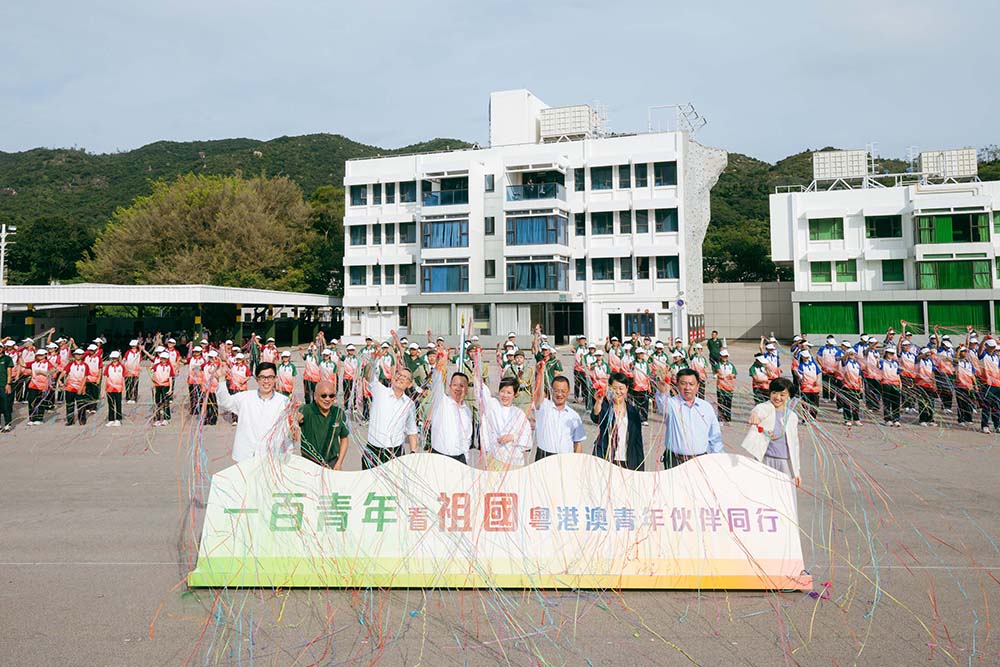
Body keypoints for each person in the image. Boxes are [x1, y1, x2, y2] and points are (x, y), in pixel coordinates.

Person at [215, 361, 293, 462]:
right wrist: (221, 379)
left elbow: (289, 430)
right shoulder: (245, 397)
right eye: (262, 377)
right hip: (246, 456)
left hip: (273, 458)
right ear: (256, 379)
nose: (266, 381)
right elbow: (225, 403)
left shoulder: (284, 402)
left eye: (270, 377)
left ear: (275, 379)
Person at [656, 368, 724, 469]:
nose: (687, 387)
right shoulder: (671, 404)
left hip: (700, 460)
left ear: (697, 386)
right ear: (678, 385)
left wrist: (718, 459)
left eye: (691, 384)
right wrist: (661, 391)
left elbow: (714, 436)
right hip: (675, 460)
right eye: (683, 383)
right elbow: (661, 404)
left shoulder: (706, 407)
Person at [363, 347, 419, 468]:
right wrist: (375, 358)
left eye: (405, 377)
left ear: (409, 384)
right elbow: (369, 375)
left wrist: (413, 452)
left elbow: (412, 430)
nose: (400, 378)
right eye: (398, 374)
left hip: (396, 453)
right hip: (373, 451)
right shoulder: (379, 390)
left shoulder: (409, 404)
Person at [741, 377, 802, 487]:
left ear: (789, 396)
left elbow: (795, 445)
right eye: (774, 393)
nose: (778, 397)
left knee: (785, 494)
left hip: (785, 463)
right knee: (764, 492)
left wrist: (796, 472)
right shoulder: (766, 407)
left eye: (782, 395)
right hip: (765, 460)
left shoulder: (792, 417)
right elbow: (759, 411)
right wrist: (755, 416)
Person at [475, 373, 532, 470]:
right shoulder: (493, 406)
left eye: (509, 393)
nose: (505, 395)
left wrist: (512, 437)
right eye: (502, 391)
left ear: (515, 394)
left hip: (514, 462)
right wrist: (476, 373)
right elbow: (481, 391)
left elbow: (527, 440)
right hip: (494, 459)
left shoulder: (519, 414)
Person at [591, 372, 645, 470]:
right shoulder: (606, 406)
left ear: (626, 388)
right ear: (610, 388)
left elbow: (638, 441)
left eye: (621, 388)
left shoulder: (633, 411)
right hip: (606, 459)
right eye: (614, 388)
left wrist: (641, 468)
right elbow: (595, 417)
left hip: (628, 460)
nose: (618, 392)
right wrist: (598, 402)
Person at [532, 365, 586, 460]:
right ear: (551, 390)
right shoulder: (543, 407)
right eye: (556, 391)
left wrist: (578, 464)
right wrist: (540, 375)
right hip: (543, 457)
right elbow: (537, 395)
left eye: (563, 391)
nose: (559, 394)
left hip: (566, 458)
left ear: (568, 391)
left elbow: (578, 443)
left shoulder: (574, 415)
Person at [428, 355, 473, 463]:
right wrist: (440, 363)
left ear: (466, 389)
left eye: (462, 386)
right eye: (455, 385)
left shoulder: (467, 411)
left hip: (460, 459)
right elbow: (436, 383)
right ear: (449, 386)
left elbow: (467, 437)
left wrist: (466, 458)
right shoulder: (441, 401)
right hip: (438, 457)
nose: (458, 388)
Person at [297, 379, 350, 469]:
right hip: (309, 464)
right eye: (323, 396)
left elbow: (344, 438)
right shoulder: (306, 410)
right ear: (315, 396)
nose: (327, 399)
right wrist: (295, 420)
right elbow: (294, 423)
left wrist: (339, 462)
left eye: (331, 396)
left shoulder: (338, 413)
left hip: (332, 463)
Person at [60, 349, 89, 426]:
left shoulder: (85, 365)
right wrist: (59, 379)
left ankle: (82, 419)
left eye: (80, 354)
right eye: (76, 354)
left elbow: (85, 377)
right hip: (70, 387)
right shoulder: (70, 364)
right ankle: (70, 420)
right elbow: (64, 372)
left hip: (80, 388)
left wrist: (81, 388)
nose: (78, 356)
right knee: (69, 404)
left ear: (82, 355)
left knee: (81, 404)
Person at [840, 348, 864, 426]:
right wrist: (847, 354)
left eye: (853, 354)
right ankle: (847, 419)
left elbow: (860, 376)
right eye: (851, 354)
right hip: (847, 385)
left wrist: (861, 386)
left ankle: (856, 419)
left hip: (856, 386)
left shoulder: (857, 364)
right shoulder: (845, 362)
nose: (852, 355)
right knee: (847, 403)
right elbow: (843, 359)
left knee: (856, 404)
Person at [879, 347, 902, 427]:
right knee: (887, 402)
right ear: (886, 353)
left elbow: (898, 374)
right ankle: (887, 419)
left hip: (895, 384)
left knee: (896, 402)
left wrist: (900, 384)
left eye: (892, 353)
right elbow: (878, 366)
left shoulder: (896, 363)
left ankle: (896, 419)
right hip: (886, 383)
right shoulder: (882, 362)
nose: (891, 355)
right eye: (889, 353)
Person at [150, 351, 175, 426]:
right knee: (157, 402)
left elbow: (170, 378)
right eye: (162, 358)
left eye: (165, 359)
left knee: (166, 402)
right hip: (157, 386)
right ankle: (157, 418)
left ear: (167, 359)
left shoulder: (169, 367)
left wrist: (170, 388)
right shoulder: (156, 365)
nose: (163, 360)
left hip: (166, 386)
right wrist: (152, 377)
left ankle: (166, 418)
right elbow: (151, 371)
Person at [102, 351, 125, 426]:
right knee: (110, 404)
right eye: (113, 358)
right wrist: (103, 390)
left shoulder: (121, 366)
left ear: (118, 358)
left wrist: (124, 389)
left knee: (118, 404)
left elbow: (123, 378)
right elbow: (105, 377)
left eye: (115, 358)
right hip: (109, 389)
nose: (114, 359)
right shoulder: (108, 367)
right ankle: (111, 419)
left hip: (118, 389)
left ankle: (118, 419)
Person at [796, 349, 821, 418]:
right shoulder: (801, 366)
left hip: (815, 387)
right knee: (805, 404)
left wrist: (818, 380)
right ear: (802, 357)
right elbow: (800, 377)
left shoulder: (813, 364)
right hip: (806, 388)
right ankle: (805, 417)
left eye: (807, 357)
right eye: (805, 357)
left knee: (815, 404)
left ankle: (813, 417)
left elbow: (818, 373)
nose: (807, 358)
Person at [715, 349, 737, 422]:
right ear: (721, 356)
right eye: (724, 356)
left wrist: (732, 375)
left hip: (729, 387)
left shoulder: (731, 365)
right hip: (720, 387)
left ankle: (728, 419)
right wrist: (724, 375)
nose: (725, 358)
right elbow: (719, 373)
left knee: (728, 403)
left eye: (726, 356)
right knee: (721, 403)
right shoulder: (718, 364)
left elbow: (734, 374)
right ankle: (721, 418)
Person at [0, 343, 12, 431]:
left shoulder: (7, 359)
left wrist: (8, 384)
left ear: (3, 348)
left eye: (0, 347)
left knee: (6, 405)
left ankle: (8, 424)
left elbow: (9, 373)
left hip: (3, 385)